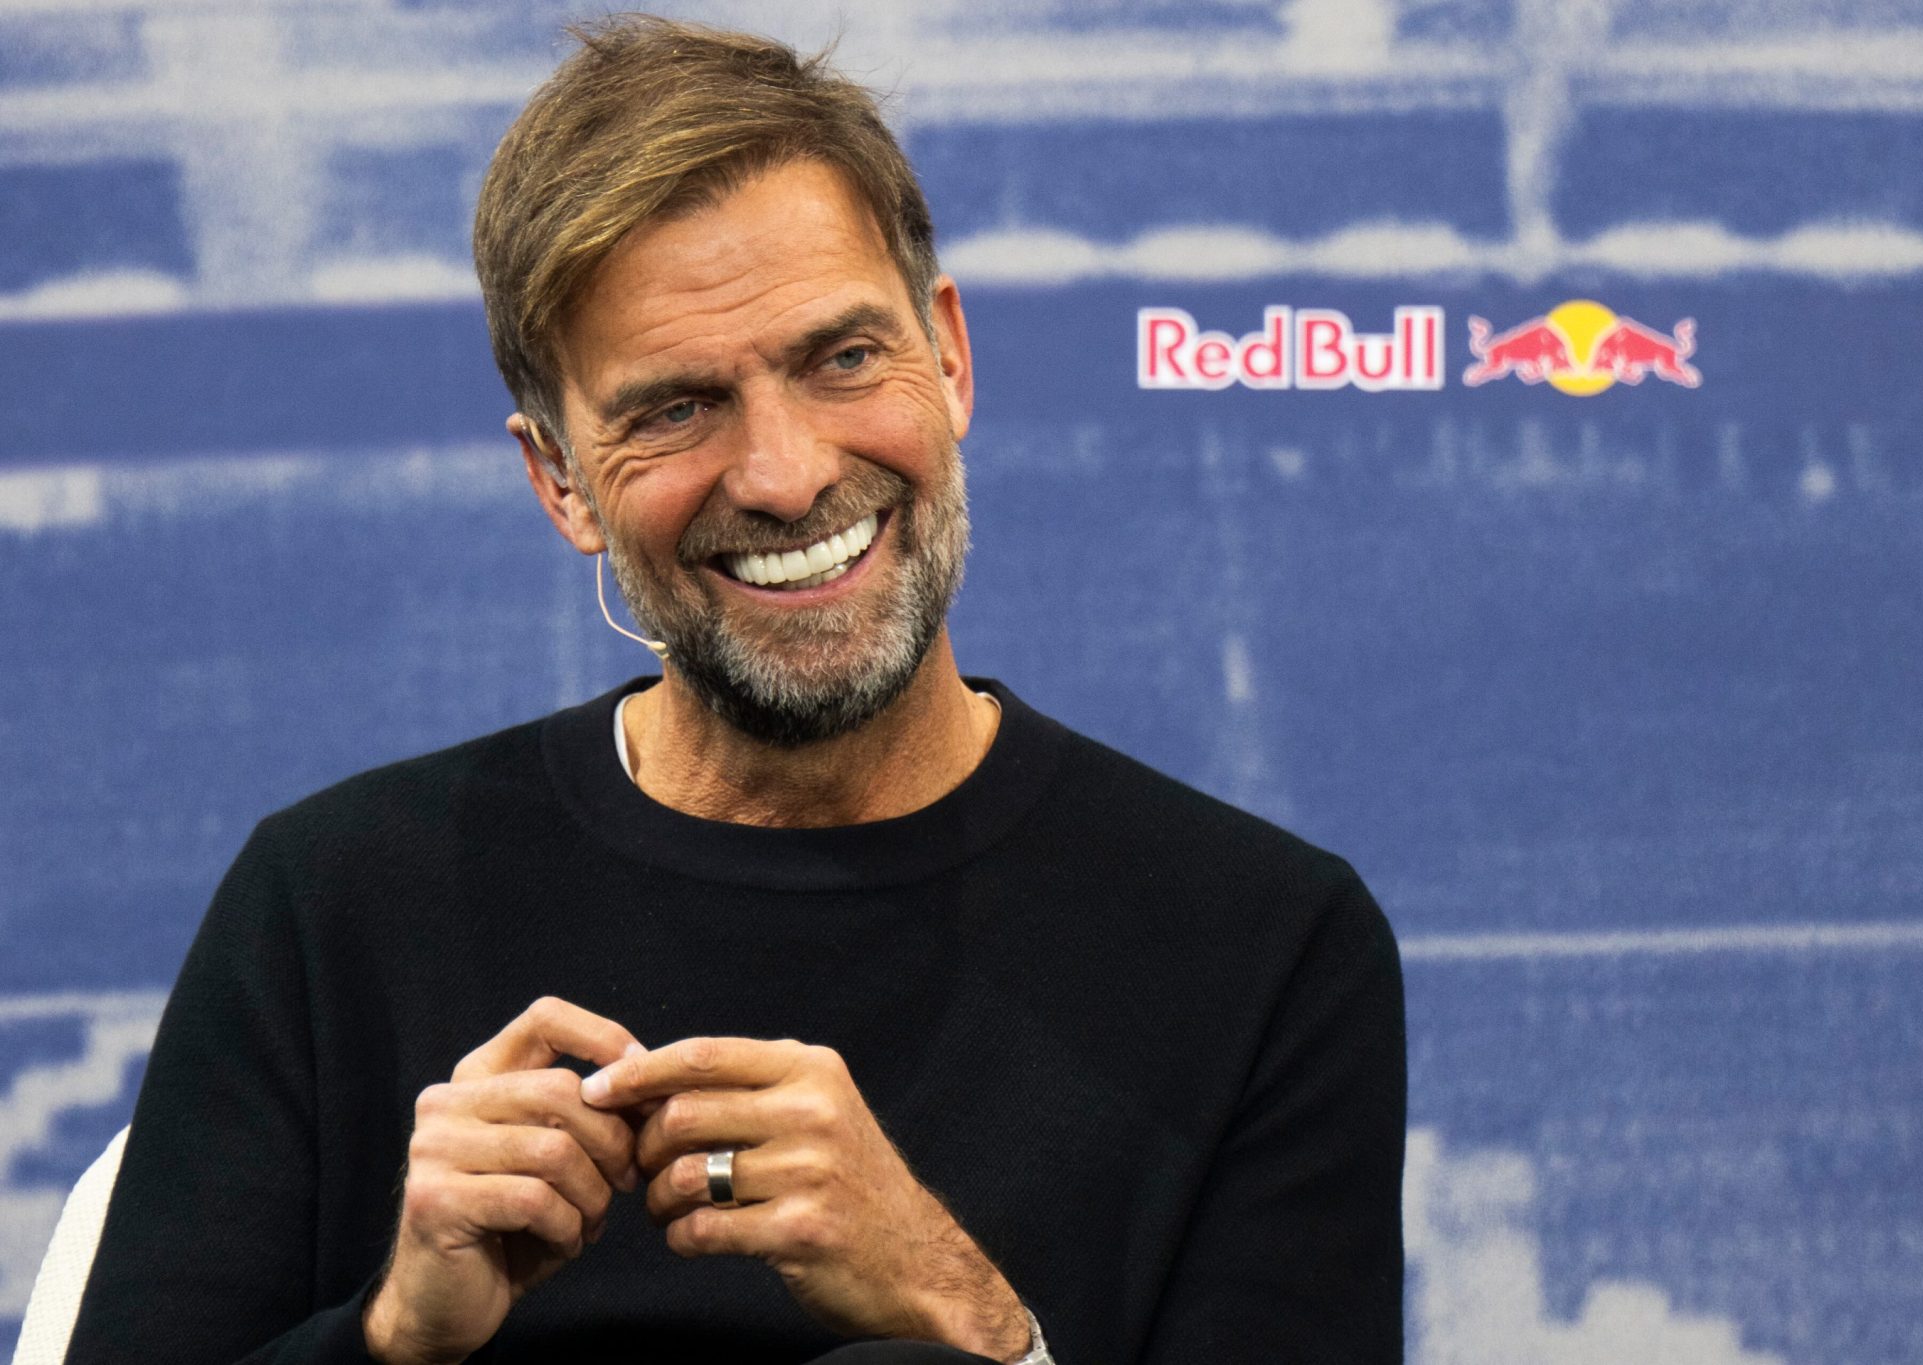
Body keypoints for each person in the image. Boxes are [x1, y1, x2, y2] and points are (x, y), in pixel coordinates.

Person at [63, 16, 1405, 1365]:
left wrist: (975, 1326)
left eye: (842, 359)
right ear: (561, 481)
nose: (784, 473)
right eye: (676, 408)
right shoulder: (332, 905)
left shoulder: (1267, 946)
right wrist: (396, 1334)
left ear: (949, 357)